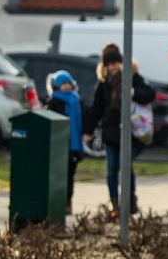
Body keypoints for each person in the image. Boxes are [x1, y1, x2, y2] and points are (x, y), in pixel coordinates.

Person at [83, 43, 154, 219]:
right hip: (110, 133)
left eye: (114, 63)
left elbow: (150, 94)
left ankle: (129, 201)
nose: (111, 67)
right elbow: (96, 108)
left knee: (125, 165)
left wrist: (133, 92)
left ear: (121, 62)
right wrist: (88, 131)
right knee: (111, 169)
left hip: (131, 133)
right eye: (108, 64)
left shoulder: (132, 77)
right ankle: (115, 204)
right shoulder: (104, 83)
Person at [45, 70, 85, 216]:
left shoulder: (76, 99)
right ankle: (58, 202)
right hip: (60, 144)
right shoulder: (53, 101)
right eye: (63, 84)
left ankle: (68, 202)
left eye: (68, 83)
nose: (66, 86)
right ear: (56, 86)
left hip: (74, 145)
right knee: (59, 175)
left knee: (70, 175)